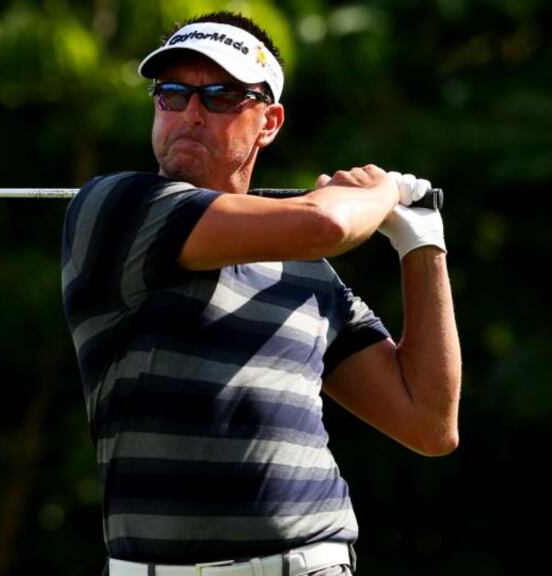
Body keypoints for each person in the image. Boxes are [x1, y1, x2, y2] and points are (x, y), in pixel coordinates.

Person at [60, 11, 461, 576]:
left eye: (221, 97)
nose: (191, 114)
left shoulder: (310, 274)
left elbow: (430, 424)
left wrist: (422, 243)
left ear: (269, 122)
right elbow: (327, 224)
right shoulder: (116, 209)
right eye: (172, 94)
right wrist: (382, 190)